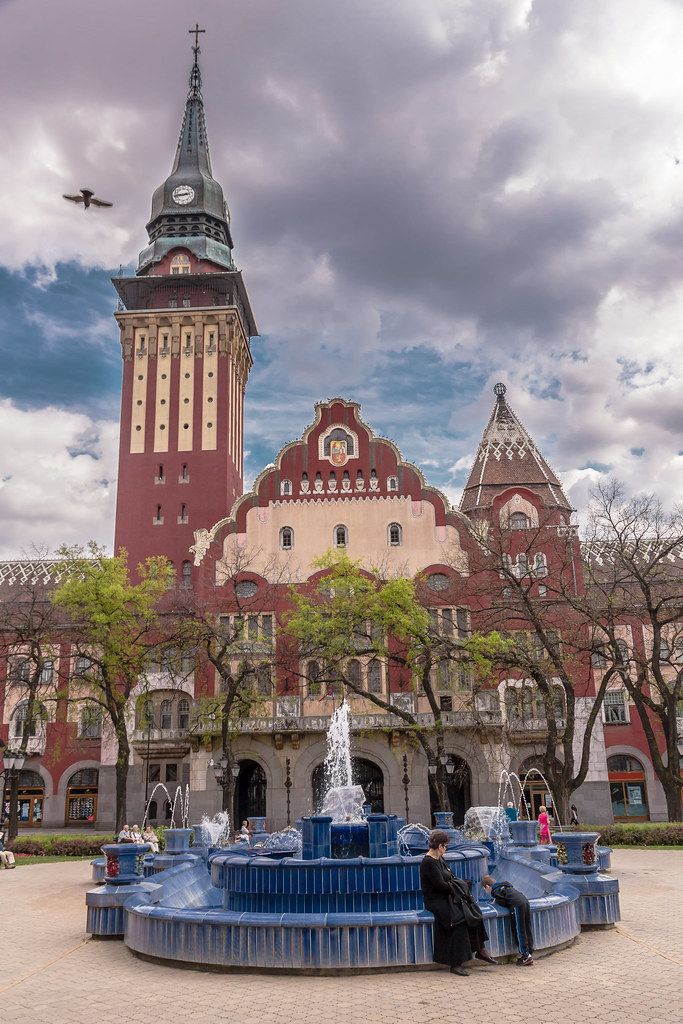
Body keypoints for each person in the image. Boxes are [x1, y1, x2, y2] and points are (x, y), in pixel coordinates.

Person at [419, 829, 497, 977]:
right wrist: (459, 885)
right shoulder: (428, 862)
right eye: (445, 846)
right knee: (459, 920)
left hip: (447, 896)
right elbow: (440, 886)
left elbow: (451, 877)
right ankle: (456, 963)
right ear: (440, 845)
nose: (446, 848)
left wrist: (460, 884)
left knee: (473, 911)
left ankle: (480, 949)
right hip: (435, 900)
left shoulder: (440, 858)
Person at [482, 874, 533, 965]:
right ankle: (529, 951)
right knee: (526, 927)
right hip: (525, 902)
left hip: (516, 905)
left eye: (485, 889)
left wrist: (496, 901)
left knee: (519, 930)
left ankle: (525, 955)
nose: (486, 891)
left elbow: (501, 901)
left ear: (487, 886)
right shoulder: (505, 886)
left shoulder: (495, 890)